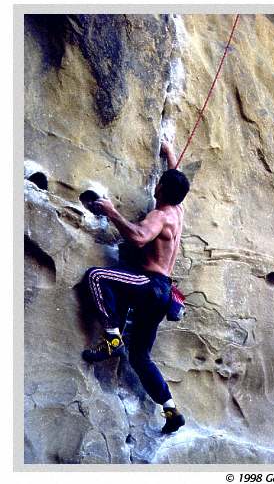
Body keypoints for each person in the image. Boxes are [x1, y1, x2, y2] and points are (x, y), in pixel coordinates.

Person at [81, 141, 190, 434]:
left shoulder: (160, 215)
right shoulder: (177, 210)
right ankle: (170, 410)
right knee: (140, 356)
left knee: (96, 277)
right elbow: (174, 180)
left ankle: (112, 338)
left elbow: (140, 238)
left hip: (150, 285)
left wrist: (112, 212)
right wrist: (169, 155)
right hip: (162, 293)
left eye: (159, 185)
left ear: (160, 190)